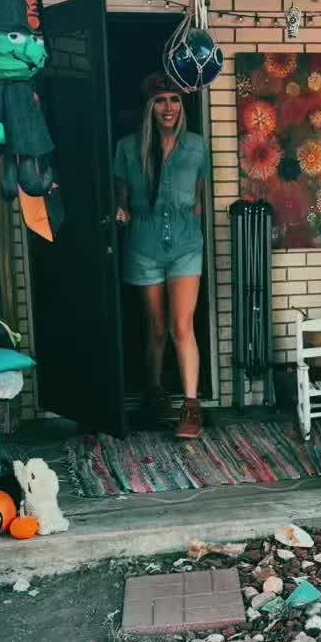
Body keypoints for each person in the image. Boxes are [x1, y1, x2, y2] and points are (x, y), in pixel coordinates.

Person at [113, 72, 208, 439]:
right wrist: (122, 212)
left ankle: (191, 408)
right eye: (160, 101)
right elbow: (122, 198)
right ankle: (154, 394)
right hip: (144, 245)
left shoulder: (196, 146)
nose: (168, 107)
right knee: (155, 326)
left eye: (175, 100)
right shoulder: (128, 147)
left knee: (181, 326)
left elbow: (198, 199)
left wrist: (191, 232)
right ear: (149, 107)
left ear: (182, 105)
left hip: (185, 246)